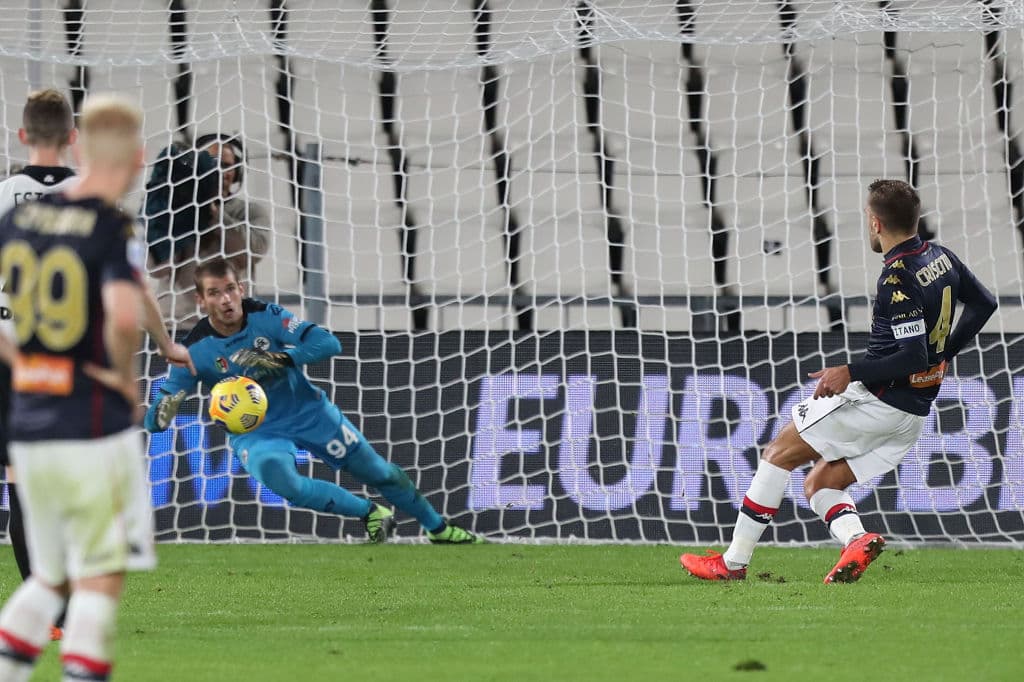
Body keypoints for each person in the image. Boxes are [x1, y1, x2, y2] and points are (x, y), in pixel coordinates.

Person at [680, 179, 998, 584]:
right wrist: (946, 355)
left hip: (879, 401)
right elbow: (983, 303)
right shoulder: (941, 257)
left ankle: (732, 563)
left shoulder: (898, 277)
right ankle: (857, 540)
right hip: (914, 413)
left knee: (778, 453)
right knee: (821, 481)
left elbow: (912, 355)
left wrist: (850, 371)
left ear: (875, 222)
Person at [0, 88, 192, 644]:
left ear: (22, 135)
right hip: (82, 375)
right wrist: (159, 349)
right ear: (73, 140)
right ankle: (64, 614)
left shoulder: (10, 203)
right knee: (96, 532)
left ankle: (45, 610)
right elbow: (129, 303)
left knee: (21, 484)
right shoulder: (103, 214)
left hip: (21, 358)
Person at [144, 257, 484, 544]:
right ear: (201, 300)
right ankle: (369, 513)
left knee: (381, 473)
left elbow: (328, 343)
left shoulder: (266, 316)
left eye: (230, 289)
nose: (226, 300)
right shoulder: (196, 349)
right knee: (286, 483)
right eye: (214, 293)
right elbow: (158, 414)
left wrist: (282, 359)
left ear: (241, 289)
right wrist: (161, 413)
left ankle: (438, 529)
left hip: (309, 412)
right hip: (258, 432)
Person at [195, 133, 270, 284]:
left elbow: (254, 251)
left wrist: (215, 214)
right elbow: (156, 268)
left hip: (231, 304)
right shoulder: (177, 210)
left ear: (237, 172)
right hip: (182, 306)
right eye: (211, 164)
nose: (219, 171)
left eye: (226, 166)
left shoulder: (252, 212)